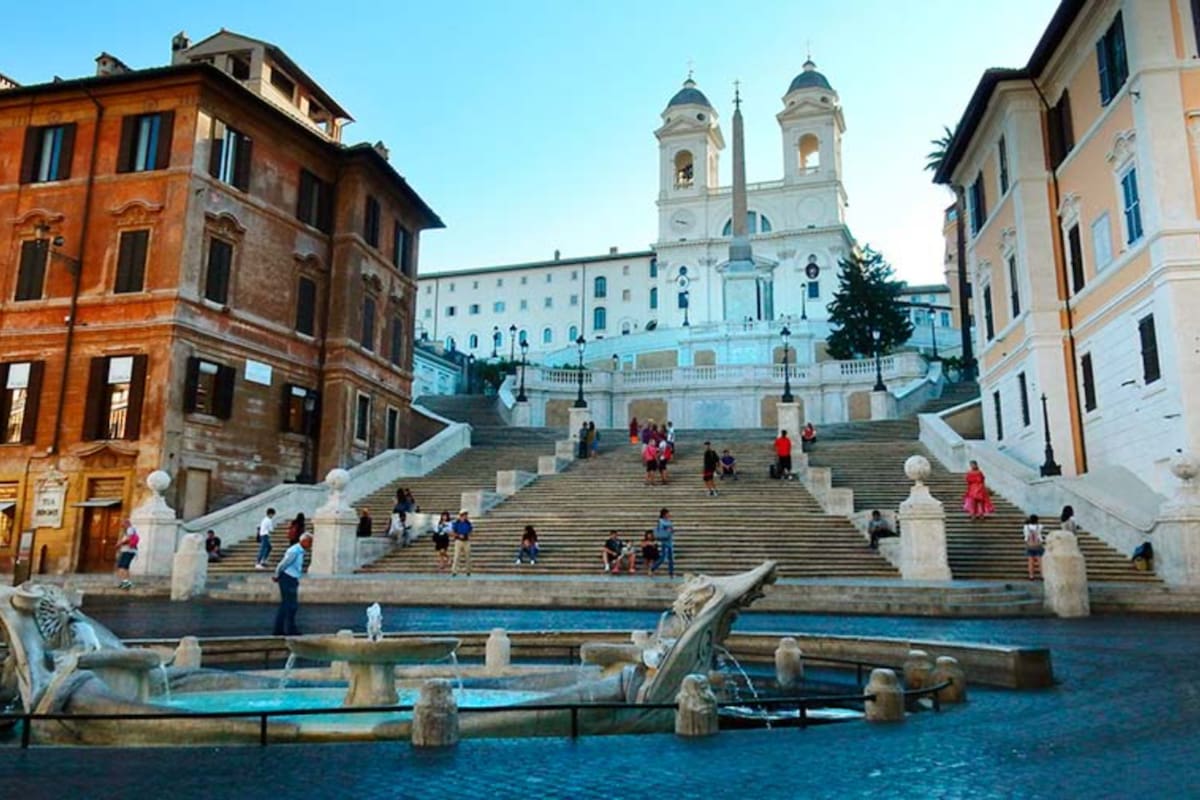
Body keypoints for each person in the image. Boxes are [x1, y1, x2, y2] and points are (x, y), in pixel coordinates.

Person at [272, 532, 312, 636]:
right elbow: (283, 564)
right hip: (287, 578)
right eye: (310, 542)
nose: (311, 545)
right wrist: (276, 575)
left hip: (291, 578)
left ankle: (280, 629)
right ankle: (289, 629)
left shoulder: (299, 551)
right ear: (304, 541)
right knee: (290, 605)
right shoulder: (294, 551)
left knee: (286, 605)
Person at [114, 519, 139, 589]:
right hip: (128, 551)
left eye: (123, 524)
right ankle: (125, 583)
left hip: (128, 551)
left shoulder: (130, 529)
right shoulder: (129, 530)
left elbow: (128, 539)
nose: (122, 526)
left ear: (126, 524)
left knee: (123, 567)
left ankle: (127, 583)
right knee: (124, 567)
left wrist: (119, 544)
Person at [651, 508, 676, 578]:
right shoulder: (661, 521)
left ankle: (671, 573)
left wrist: (672, 530)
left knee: (671, 558)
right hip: (664, 542)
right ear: (664, 514)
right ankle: (653, 568)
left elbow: (671, 529)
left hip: (670, 541)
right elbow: (661, 531)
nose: (669, 515)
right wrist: (667, 530)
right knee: (663, 558)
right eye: (667, 513)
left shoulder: (669, 521)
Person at [450, 509, 473, 576]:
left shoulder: (468, 523)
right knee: (456, 556)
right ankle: (454, 571)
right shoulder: (456, 523)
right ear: (461, 515)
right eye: (464, 515)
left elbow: (471, 531)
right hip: (458, 541)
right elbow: (453, 532)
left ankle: (468, 570)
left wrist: (467, 535)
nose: (466, 516)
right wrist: (458, 535)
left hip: (466, 541)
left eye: (466, 515)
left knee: (468, 556)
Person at [1024, 514, 1045, 580]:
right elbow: (1041, 530)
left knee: (1030, 562)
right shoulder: (1040, 526)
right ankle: (1042, 576)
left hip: (1029, 545)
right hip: (1038, 545)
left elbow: (1026, 536)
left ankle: (1031, 576)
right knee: (1040, 562)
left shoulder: (1026, 527)